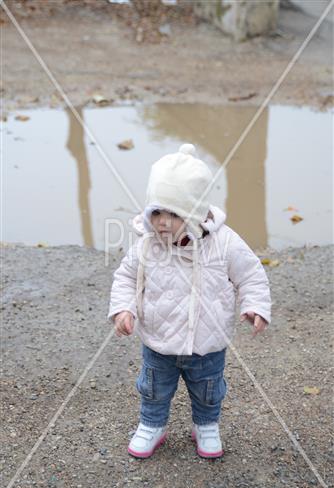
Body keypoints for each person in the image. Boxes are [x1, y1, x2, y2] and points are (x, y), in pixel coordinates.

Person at [108, 143, 271, 459]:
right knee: (153, 389)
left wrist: (255, 305)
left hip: (207, 341)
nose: (163, 222)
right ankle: (152, 423)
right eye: (156, 212)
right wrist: (123, 308)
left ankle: (206, 425)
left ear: (195, 212)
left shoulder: (224, 243)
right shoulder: (147, 245)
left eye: (174, 214)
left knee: (209, 391)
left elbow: (250, 274)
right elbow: (125, 277)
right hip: (159, 340)